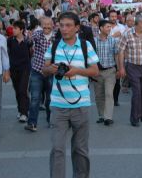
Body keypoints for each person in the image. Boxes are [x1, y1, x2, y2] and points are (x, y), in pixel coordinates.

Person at [42, 12, 99, 178]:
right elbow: (43, 70)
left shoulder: (85, 46)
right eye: (61, 25)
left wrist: (76, 71)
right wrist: (50, 69)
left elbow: (95, 71)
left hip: (81, 105)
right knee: (57, 148)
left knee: (80, 149)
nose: (64, 29)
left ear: (77, 28)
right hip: (58, 105)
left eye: (68, 25)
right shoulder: (54, 45)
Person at [25, 17, 54, 132]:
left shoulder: (57, 36)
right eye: (44, 24)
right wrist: (29, 38)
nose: (46, 26)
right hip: (37, 70)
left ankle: (51, 121)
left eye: (48, 24)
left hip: (52, 72)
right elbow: (29, 42)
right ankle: (32, 123)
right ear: (41, 25)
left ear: (52, 25)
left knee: (50, 99)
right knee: (35, 98)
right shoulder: (37, 34)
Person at [93, 20, 119, 126]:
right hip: (97, 72)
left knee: (109, 93)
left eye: (110, 27)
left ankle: (108, 117)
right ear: (101, 28)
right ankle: (101, 116)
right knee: (99, 95)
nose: (109, 29)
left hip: (110, 71)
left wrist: (119, 68)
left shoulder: (113, 40)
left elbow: (116, 55)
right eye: (107, 27)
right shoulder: (94, 41)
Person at [7, 20, 32, 123]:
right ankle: (20, 109)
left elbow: (31, 53)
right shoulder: (10, 40)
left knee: (23, 90)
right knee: (17, 90)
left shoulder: (28, 41)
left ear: (21, 30)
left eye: (16, 28)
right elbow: (7, 53)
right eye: (13, 28)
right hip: (13, 69)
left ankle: (24, 113)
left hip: (25, 68)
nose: (13, 30)